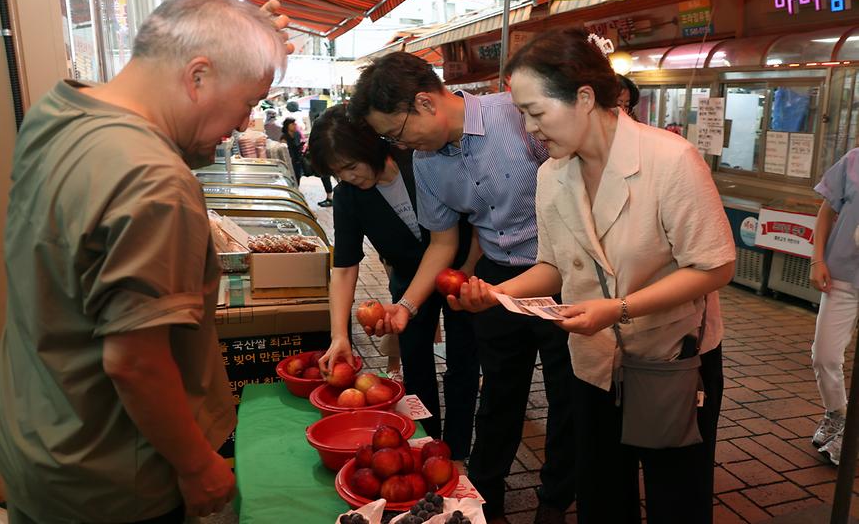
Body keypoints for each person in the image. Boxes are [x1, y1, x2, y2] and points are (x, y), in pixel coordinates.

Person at [0, 0, 288, 523]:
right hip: (115, 480)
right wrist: (198, 466)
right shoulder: (155, 181)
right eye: (249, 100)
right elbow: (134, 361)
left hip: (41, 447)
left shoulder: (57, 112)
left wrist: (246, 39)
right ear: (198, 76)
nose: (246, 122)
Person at [456, 28, 735, 524]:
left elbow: (713, 265)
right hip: (594, 361)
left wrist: (619, 309)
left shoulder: (670, 160)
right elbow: (553, 267)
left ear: (584, 97)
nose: (529, 128)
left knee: (677, 496)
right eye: (521, 115)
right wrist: (498, 293)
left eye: (536, 112)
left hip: (670, 357)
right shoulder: (552, 174)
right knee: (603, 494)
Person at [348, 52, 577, 524]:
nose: (397, 143)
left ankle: (555, 499)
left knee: (566, 395)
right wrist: (406, 306)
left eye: (396, 131)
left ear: (425, 102)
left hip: (566, 277)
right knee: (498, 392)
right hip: (493, 279)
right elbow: (442, 242)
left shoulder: (515, 116)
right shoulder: (427, 164)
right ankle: (483, 496)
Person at [311, 105, 480, 457]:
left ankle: (459, 448)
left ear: (370, 145)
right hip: (408, 280)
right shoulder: (349, 196)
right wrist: (339, 334)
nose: (350, 177)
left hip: (462, 271)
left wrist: (470, 266)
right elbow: (344, 266)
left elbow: (475, 217)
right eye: (338, 172)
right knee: (416, 366)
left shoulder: (422, 160)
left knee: (463, 361)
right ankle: (428, 444)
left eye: (352, 166)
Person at [809, 147, 859, 466]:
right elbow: (827, 211)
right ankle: (836, 414)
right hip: (842, 273)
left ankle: (851, 435)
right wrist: (818, 258)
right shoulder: (854, 160)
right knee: (824, 354)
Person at [281, 117, 305, 184]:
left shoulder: (297, 135)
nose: (295, 126)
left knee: (298, 177)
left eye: (295, 124)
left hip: (298, 160)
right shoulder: (284, 137)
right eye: (292, 124)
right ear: (287, 126)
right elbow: (285, 151)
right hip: (290, 161)